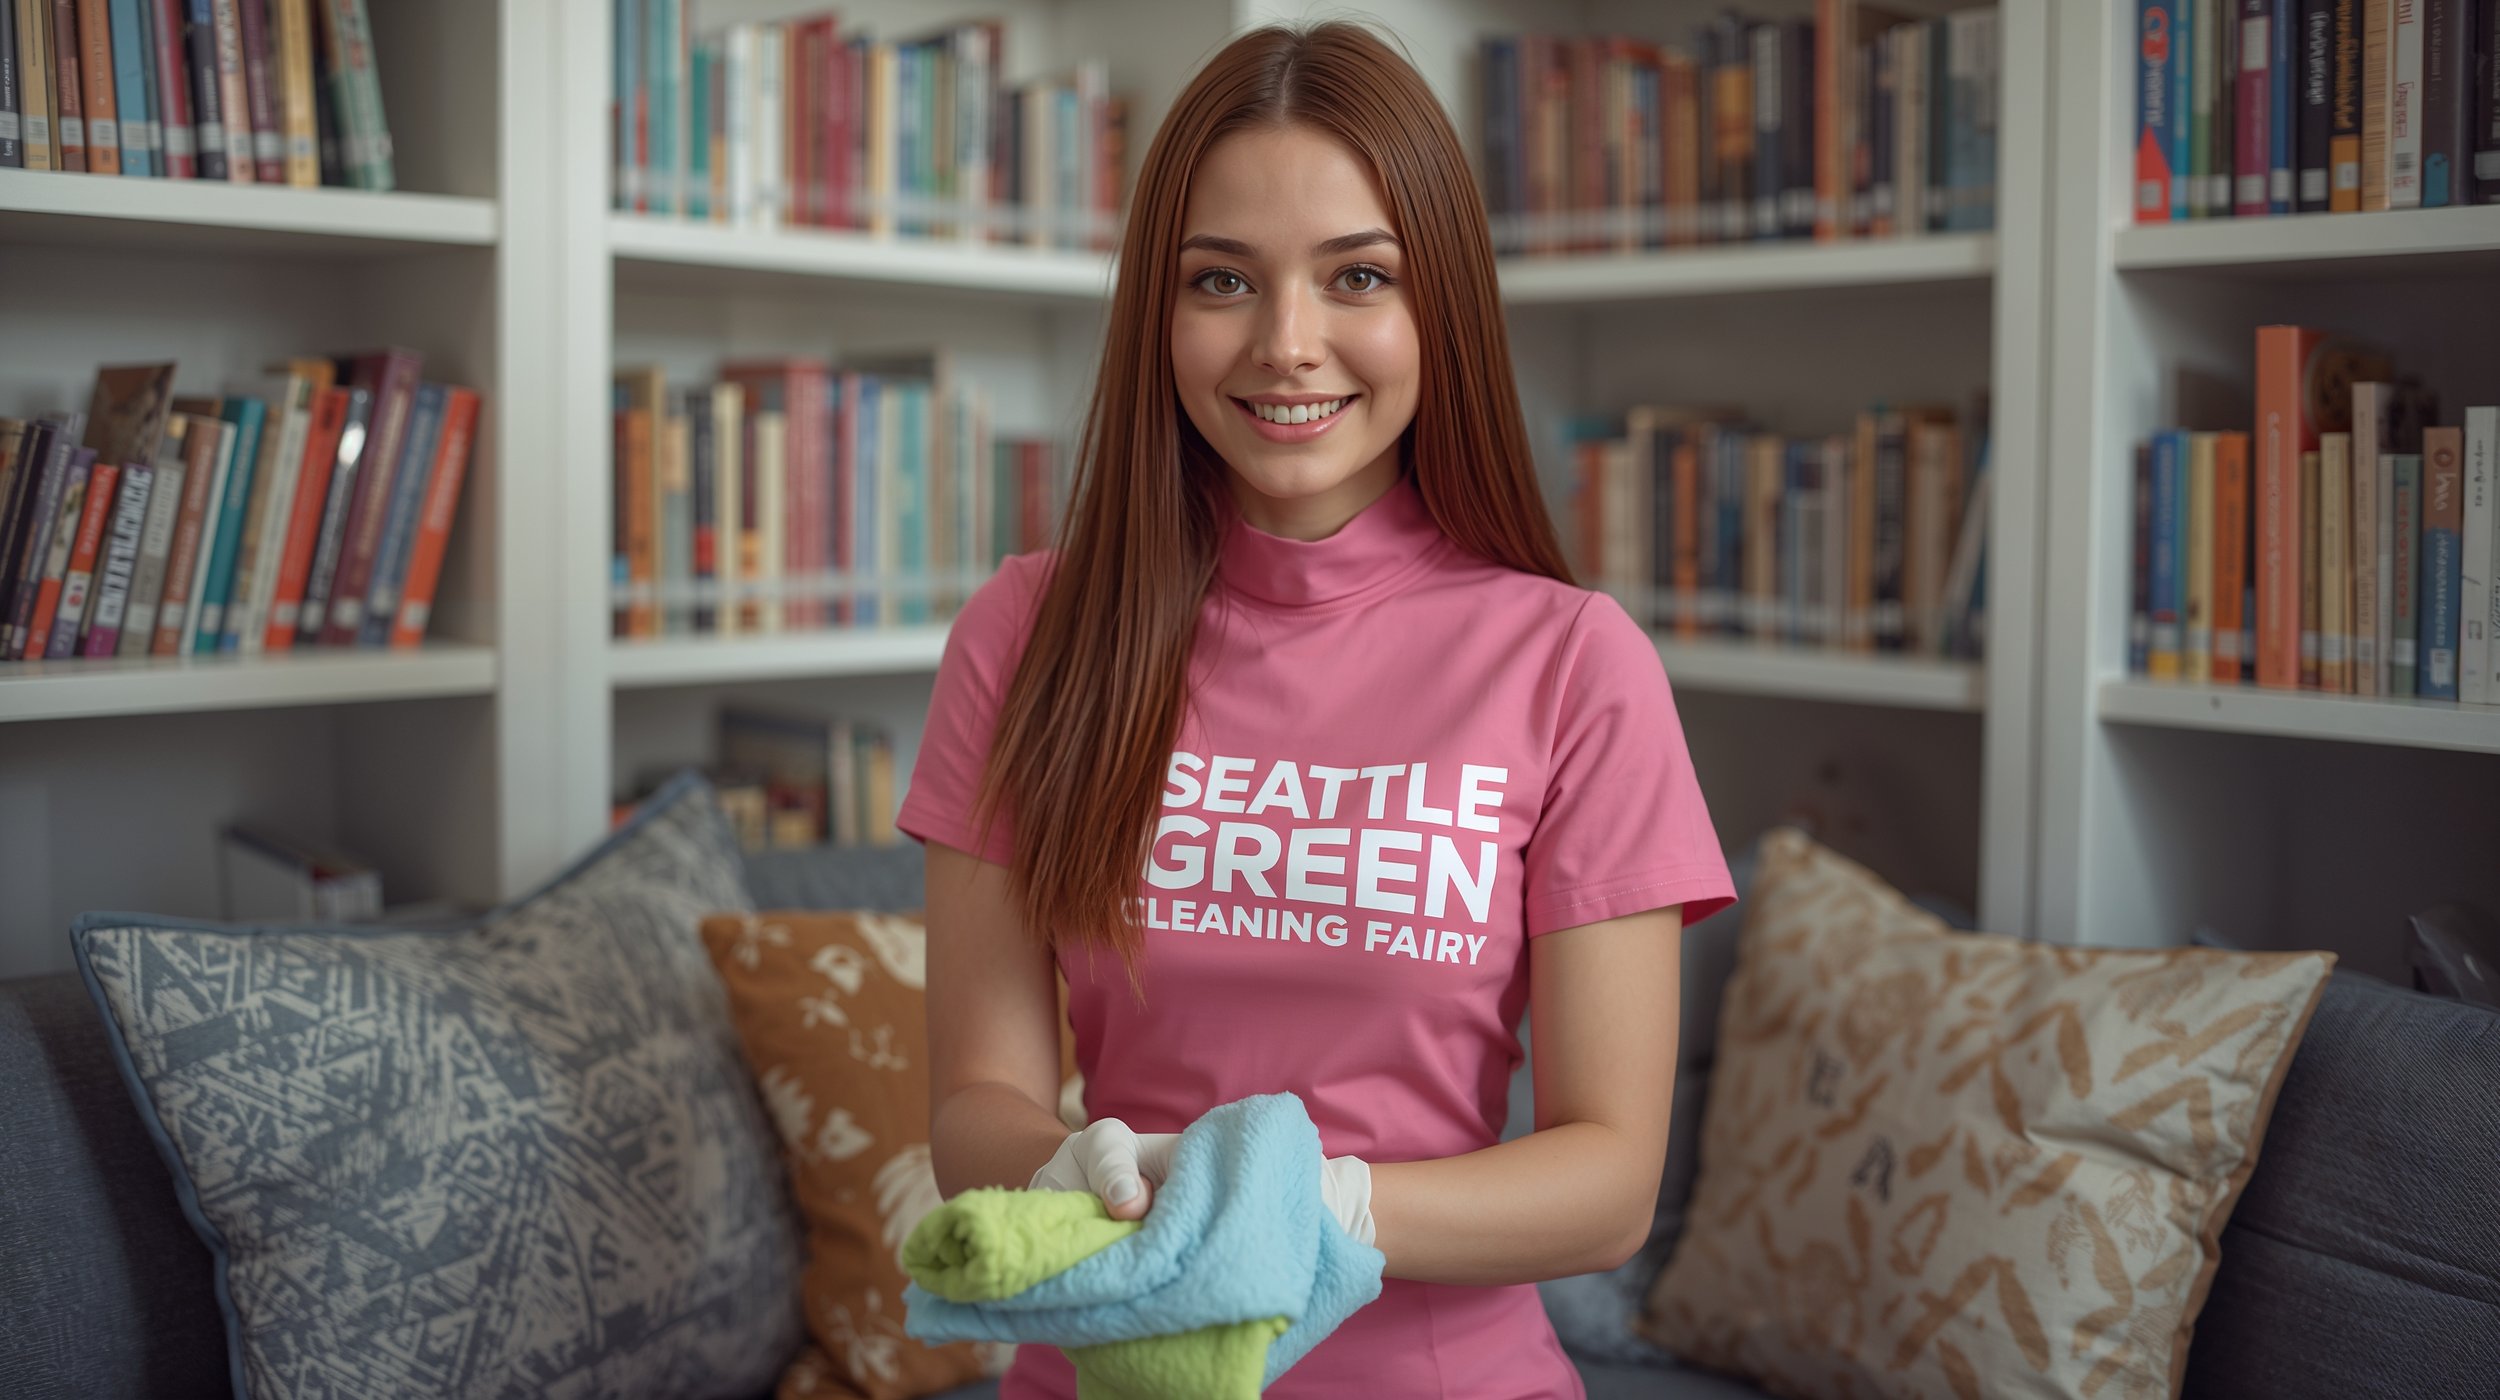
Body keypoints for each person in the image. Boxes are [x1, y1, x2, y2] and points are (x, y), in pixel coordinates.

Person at [898, 19, 1735, 1399]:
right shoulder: (1028, 634)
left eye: (1358, 276)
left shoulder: (1576, 665)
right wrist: (1068, 1167)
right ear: (1158, 312)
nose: (1288, 345)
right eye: (1223, 279)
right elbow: (973, 1105)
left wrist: (1318, 1208)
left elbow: (1607, 1186)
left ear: (1438, 306)